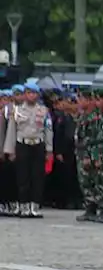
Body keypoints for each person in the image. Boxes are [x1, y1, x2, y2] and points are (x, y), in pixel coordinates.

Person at [3, 83, 53, 218]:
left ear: (38, 95)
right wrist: (10, 150)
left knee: (37, 176)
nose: (31, 96)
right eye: (29, 93)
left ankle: (35, 205)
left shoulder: (44, 111)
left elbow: (48, 131)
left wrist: (49, 150)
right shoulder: (17, 110)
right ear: (25, 95)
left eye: (34, 93)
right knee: (22, 176)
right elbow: (11, 131)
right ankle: (24, 205)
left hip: (38, 144)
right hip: (22, 144)